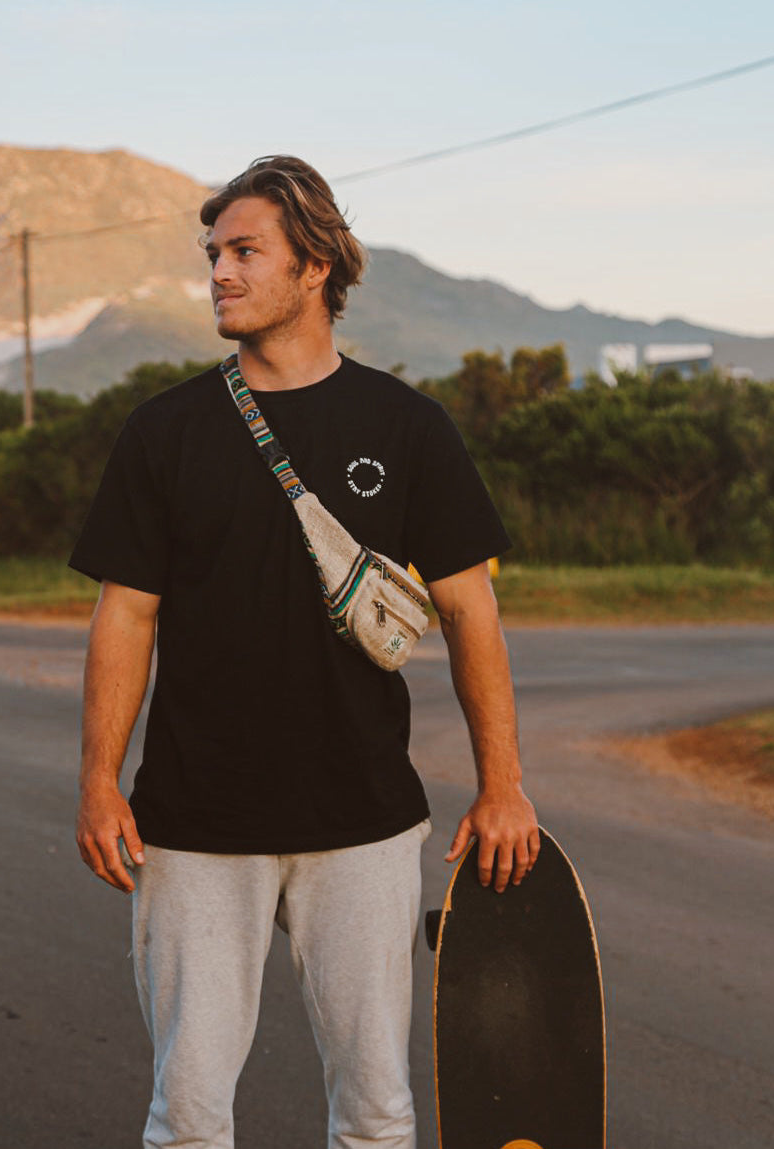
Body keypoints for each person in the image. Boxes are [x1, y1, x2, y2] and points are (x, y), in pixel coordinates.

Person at [70, 155, 539, 1149]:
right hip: (195, 820)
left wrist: (503, 784)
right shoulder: (165, 432)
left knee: (375, 1113)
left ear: (315, 265)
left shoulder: (406, 426)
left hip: (361, 819)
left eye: (245, 252)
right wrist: (100, 781)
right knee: (188, 1114)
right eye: (213, 255)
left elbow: (469, 611)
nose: (220, 275)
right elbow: (126, 616)